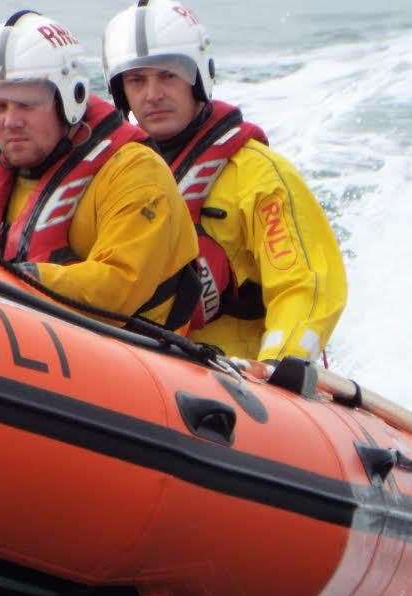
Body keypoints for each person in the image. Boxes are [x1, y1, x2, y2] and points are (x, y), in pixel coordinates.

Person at [102, 0, 347, 361]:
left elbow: (306, 284)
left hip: (238, 379)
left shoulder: (257, 175)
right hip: (143, 367)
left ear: (198, 77)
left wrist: (283, 361)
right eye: (137, 80)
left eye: (168, 75)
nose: (152, 94)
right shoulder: (117, 177)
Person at [0, 11, 201, 331]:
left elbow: (119, 285)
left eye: (26, 104)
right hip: (6, 336)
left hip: (124, 358)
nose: (10, 121)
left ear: (68, 99)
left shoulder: (135, 173)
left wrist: (12, 278)